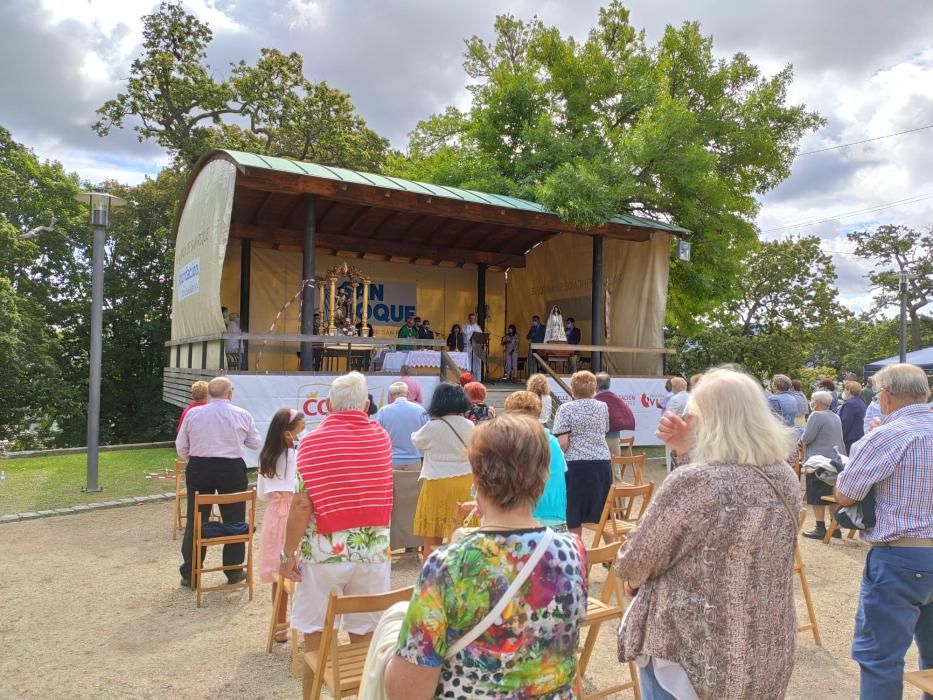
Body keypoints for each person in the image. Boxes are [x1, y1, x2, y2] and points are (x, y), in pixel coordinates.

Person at [620, 367, 801, 700]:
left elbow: (637, 561)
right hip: (763, 651)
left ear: (707, 419)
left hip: (691, 658)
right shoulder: (785, 477)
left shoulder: (696, 483)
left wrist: (631, 582)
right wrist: (684, 452)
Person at [385, 414, 587, 699]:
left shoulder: (448, 566)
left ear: (477, 477)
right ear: (543, 476)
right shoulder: (573, 552)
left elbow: (407, 691)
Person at [278, 372, 393, 692]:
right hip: (372, 549)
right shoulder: (381, 438)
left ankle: (312, 695)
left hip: (325, 552)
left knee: (316, 633)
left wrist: (287, 554)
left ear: (328, 405)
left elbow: (301, 505)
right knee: (366, 633)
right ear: (367, 405)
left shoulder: (312, 443)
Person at [835, 363, 933, 700]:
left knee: (880, 660)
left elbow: (846, 493)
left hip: (901, 556)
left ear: (887, 397)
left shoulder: (886, 436)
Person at [175, 376, 260, 587]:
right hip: (231, 469)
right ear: (229, 394)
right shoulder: (242, 414)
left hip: (199, 467)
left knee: (196, 519)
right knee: (234, 519)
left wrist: (195, 457)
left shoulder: (194, 413)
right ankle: (233, 571)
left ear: (208, 393)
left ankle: (191, 574)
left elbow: (181, 446)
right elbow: (255, 442)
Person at [257, 407, 305, 642]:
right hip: (296, 513)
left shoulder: (267, 457)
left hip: (275, 515)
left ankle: (279, 625)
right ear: (288, 434)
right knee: (302, 569)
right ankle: (306, 623)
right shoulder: (299, 456)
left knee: (279, 571)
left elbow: (261, 494)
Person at [410, 383, 474, 556]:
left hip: (436, 483)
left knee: (432, 540)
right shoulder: (469, 425)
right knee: (463, 537)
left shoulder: (432, 427)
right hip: (465, 482)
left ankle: (429, 579)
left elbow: (416, 440)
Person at [552, 371, 611, 535]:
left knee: (573, 514)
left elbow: (563, 443)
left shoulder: (565, 409)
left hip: (576, 466)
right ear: (594, 389)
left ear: (573, 389)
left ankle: (578, 553)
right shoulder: (603, 407)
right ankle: (609, 556)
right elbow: (605, 430)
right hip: (602, 463)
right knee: (603, 514)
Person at [503, 391, 568, 529]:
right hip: (555, 515)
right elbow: (562, 470)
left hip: (522, 515)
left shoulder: (509, 441)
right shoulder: (552, 441)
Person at [800, 390, 846, 539]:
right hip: (835, 459)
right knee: (831, 493)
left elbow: (807, 437)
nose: (811, 402)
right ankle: (835, 527)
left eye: (812, 399)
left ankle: (820, 528)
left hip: (818, 461)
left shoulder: (816, 416)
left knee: (816, 496)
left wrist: (799, 439)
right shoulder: (835, 416)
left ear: (817, 402)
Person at [375, 382, 429, 469]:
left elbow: (377, 436)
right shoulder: (420, 410)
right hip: (415, 460)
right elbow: (428, 432)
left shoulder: (383, 411)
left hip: (392, 461)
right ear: (407, 394)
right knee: (414, 483)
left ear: (391, 395)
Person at [594, 372, 636, 458]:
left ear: (596, 386)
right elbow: (626, 414)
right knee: (616, 465)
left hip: (601, 439)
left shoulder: (595, 400)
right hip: (615, 438)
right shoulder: (616, 398)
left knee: (602, 463)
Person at [839, 379, 867, 453]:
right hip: (858, 435)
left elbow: (845, 423)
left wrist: (841, 437)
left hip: (850, 438)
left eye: (845, 389)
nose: (844, 391)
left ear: (849, 390)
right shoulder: (861, 401)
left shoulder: (850, 404)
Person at [463, 312, 484, 377]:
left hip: (476, 348)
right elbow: (466, 336)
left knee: (476, 363)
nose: (472, 320)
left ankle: (477, 378)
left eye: (474, 319)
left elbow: (481, 337)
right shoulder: (466, 326)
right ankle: (468, 377)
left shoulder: (478, 327)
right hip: (468, 347)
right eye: (471, 319)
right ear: (469, 319)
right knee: (468, 362)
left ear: (475, 319)